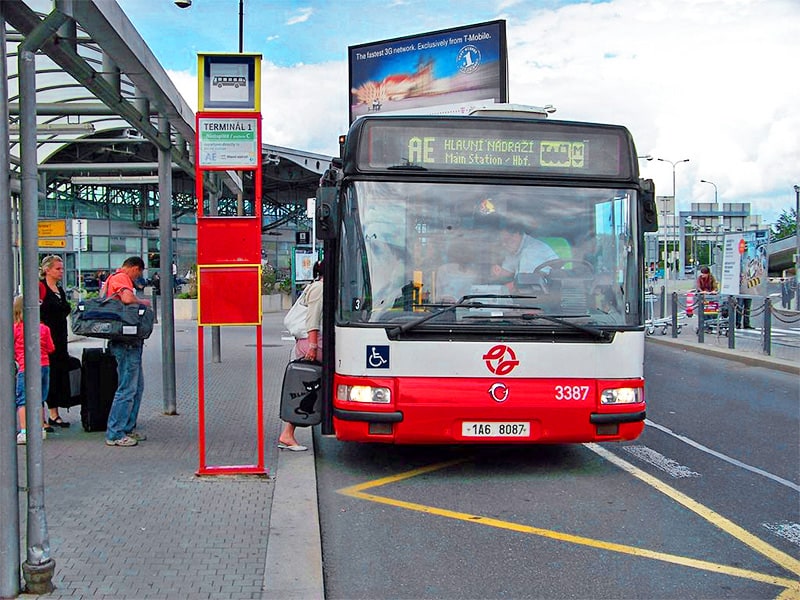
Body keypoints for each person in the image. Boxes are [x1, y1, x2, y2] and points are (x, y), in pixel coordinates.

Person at [103, 256, 151, 447]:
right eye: (138, 273)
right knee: (127, 389)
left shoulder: (112, 277)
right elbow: (127, 298)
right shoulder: (122, 277)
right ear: (135, 268)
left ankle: (127, 428)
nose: (138, 277)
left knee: (136, 387)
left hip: (126, 341)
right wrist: (143, 303)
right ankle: (115, 433)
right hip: (126, 342)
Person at [278, 260, 323, 452]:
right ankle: (288, 433)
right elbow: (312, 320)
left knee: (313, 387)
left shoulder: (314, 286)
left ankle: (288, 433)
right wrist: (313, 346)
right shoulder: (320, 288)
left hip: (309, 341)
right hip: (313, 342)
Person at [14, 295, 55, 445]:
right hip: (44, 366)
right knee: (39, 399)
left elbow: (10, 348)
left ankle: (25, 431)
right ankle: (40, 429)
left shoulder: (16, 329)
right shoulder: (44, 328)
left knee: (23, 401)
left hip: (25, 367)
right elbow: (51, 348)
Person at [39, 255, 73, 428]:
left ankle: (54, 413)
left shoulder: (59, 290)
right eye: (57, 269)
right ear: (47, 270)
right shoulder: (40, 288)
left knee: (57, 374)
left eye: (62, 268)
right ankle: (40, 417)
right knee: (43, 376)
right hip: (44, 339)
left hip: (59, 338)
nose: (61, 272)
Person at [490, 225, 558, 287]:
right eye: (501, 241)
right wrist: (498, 272)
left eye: (506, 240)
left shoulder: (531, 251)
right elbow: (506, 272)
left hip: (549, 293)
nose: (503, 245)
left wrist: (499, 291)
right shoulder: (515, 248)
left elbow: (525, 284)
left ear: (516, 235)